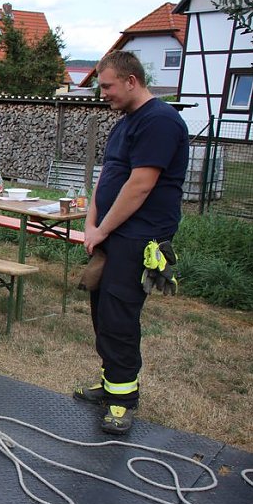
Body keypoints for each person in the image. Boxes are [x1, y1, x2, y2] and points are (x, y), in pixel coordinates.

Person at [73, 51, 189, 434]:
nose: (102, 93)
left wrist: (102, 229)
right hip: (111, 233)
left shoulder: (160, 122)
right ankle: (111, 384)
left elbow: (140, 186)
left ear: (131, 81)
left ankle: (122, 401)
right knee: (101, 310)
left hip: (138, 237)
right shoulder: (124, 123)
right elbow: (108, 176)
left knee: (119, 316)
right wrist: (92, 221)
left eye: (106, 86)